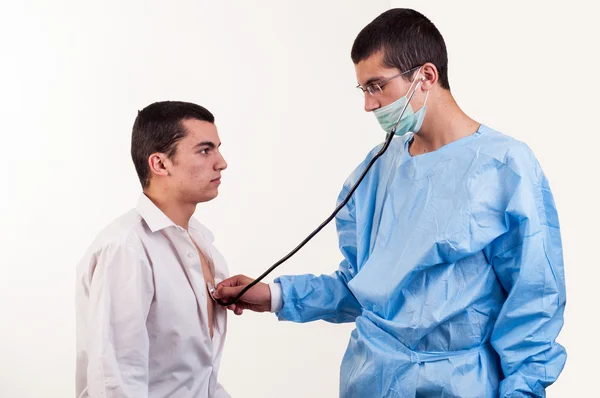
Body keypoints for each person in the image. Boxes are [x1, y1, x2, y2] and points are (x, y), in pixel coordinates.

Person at [214, 8, 567, 397]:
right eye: (363, 90)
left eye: (377, 86)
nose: (369, 105)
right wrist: (273, 295)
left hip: (460, 383)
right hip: (371, 379)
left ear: (426, 76)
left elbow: (533, 301)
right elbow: (361, 286)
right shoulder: (378, 169)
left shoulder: (505, 167)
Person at [76, 101, 230, 397]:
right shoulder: (126, 249)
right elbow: (116, 381)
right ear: (160, 164)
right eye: (204, 150)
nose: (221, 162)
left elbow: (199, 375)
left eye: (218, 149)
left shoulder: (201, 242)